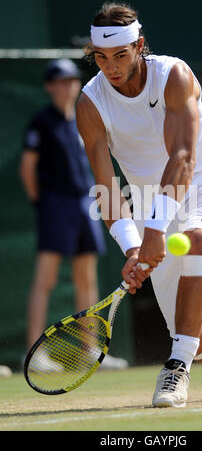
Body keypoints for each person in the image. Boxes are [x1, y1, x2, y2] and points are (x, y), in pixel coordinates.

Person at [76, 1, 202, 407]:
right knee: (196, 335)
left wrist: (154, 232)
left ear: (139, 46)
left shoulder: (173, 75)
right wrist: (133, 246)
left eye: (120, 55)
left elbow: (184, 159)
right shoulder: (89, 103)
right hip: (144, 204)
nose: (111, 67)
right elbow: (106, 185)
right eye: (101, 58)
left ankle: (175, 369)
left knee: (197, 239)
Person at [19, 58, 128, 370]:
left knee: (86, 278)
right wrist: (42, 204)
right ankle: (34, 352)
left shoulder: (82, 120)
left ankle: (88, 350)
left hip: (85, 205)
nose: (67, 86)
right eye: (60, 81)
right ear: (49, 87)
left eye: (71, 80)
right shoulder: (42, 122)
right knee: (46, 279)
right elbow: (27, 168)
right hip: (55, 205)